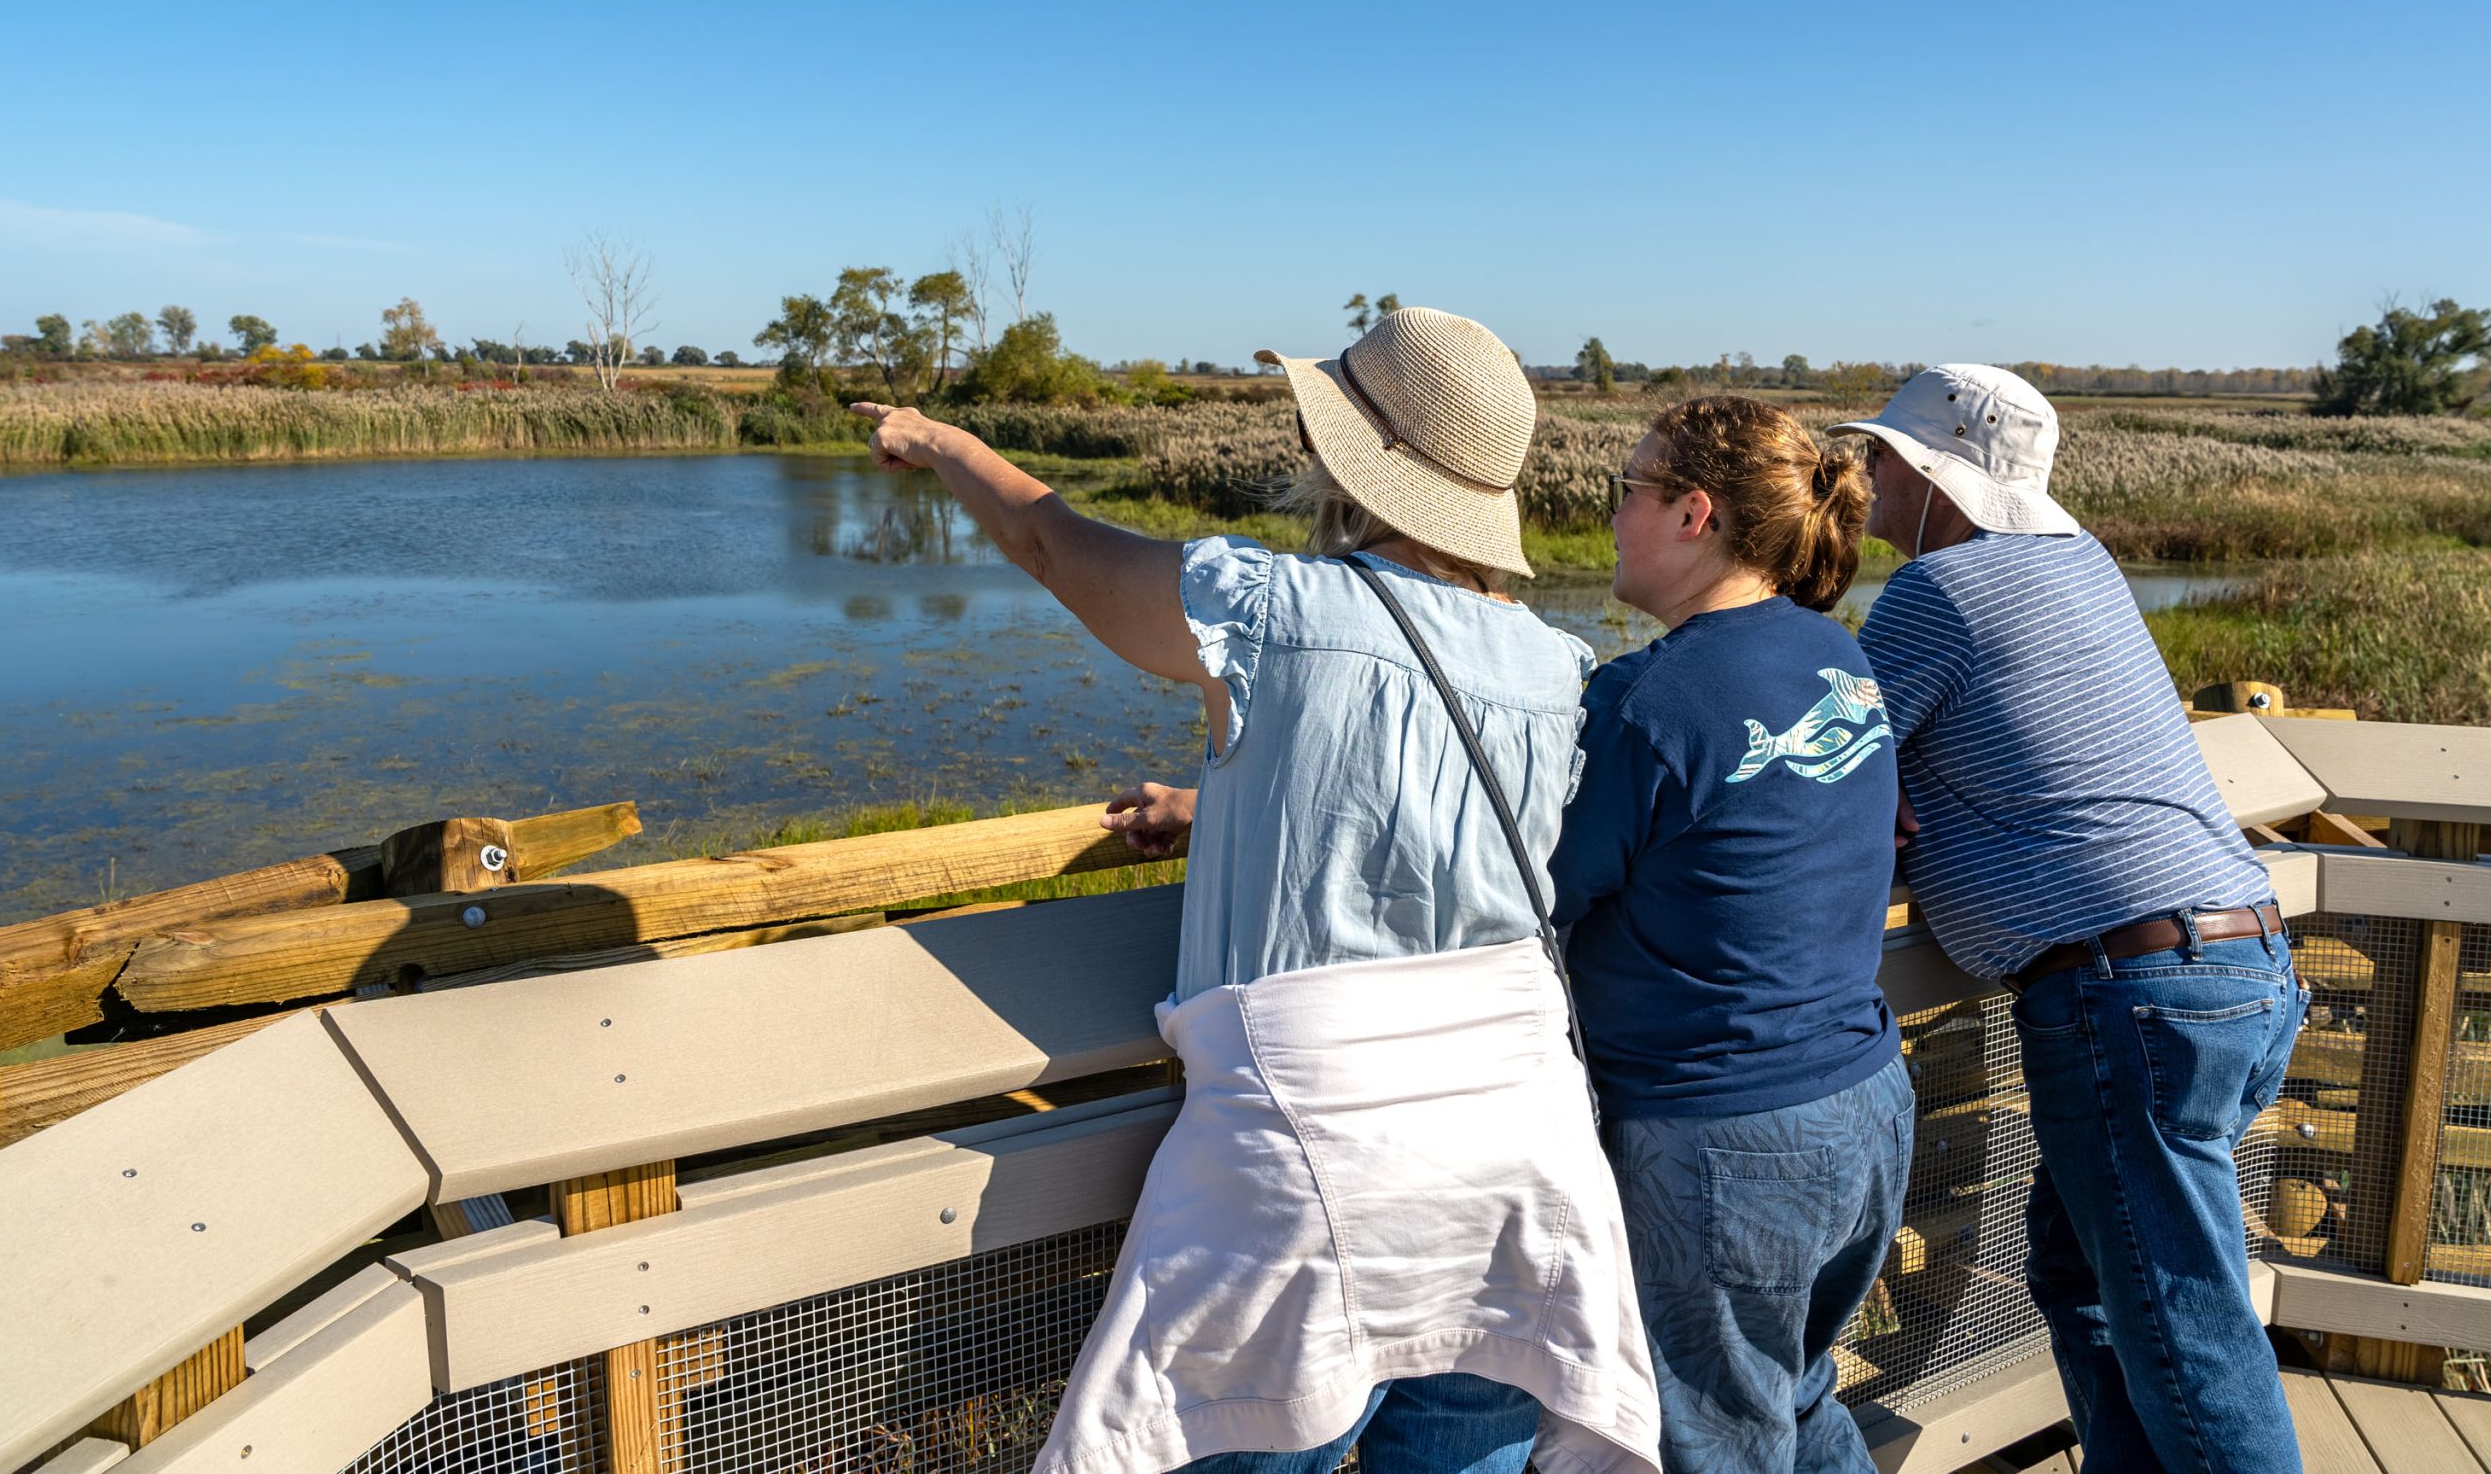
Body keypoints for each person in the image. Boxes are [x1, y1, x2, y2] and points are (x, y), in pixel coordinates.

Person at [854, 307, 1662, 1474]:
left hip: (1314, 1170)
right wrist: (1219, 807)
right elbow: (1436, 830)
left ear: (1350, 457)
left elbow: (1052, 544)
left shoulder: (1272, 611)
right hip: (1515, 1169)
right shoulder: (1556, 665)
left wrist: (938, 444)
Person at [1832, 364, 2303, 1470]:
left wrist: (1883, 781)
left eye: (1882, 458)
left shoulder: (1936, 593)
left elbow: (1812, 755)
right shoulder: (2080, 565)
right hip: (2237, 961)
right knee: (2092, 1276)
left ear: (1936, 481)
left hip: (2127, 993)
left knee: (2180, 1324)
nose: (1865, 476)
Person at [1545, 394, 1912, 1473]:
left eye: (1628, 490)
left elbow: (1529, 896)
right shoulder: (1834, 657)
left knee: (1711, 1441)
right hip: (1862, 1103)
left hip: (1723, 1137)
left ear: (1693, 513)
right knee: (1793, 1402)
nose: (1611, 514)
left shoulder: (1643, 700)